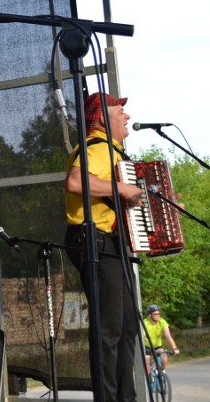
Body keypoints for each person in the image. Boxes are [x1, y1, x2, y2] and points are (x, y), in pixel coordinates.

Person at [63, 93, 143, 402]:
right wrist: (123, 188)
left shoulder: (115, 153)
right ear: (102, 118)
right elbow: (74, 181)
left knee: (126, 329)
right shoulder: (97, 147)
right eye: (120, 111)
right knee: (109, 330)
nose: (126, 116)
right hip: (94, 240)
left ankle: (126, 397)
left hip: (111, 244)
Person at [142, 304, 180, 373]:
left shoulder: (162, 321)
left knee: (164, 359)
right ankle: (149, 379)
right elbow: (143, 335)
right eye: (156, 314)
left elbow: (168, 335)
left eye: (159, 314)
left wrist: (175, 348)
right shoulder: (145, 323)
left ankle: (160, 373)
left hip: (158, 346)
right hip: (147, 347)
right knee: (146, 362)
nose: (158, 315)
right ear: (150, 315)